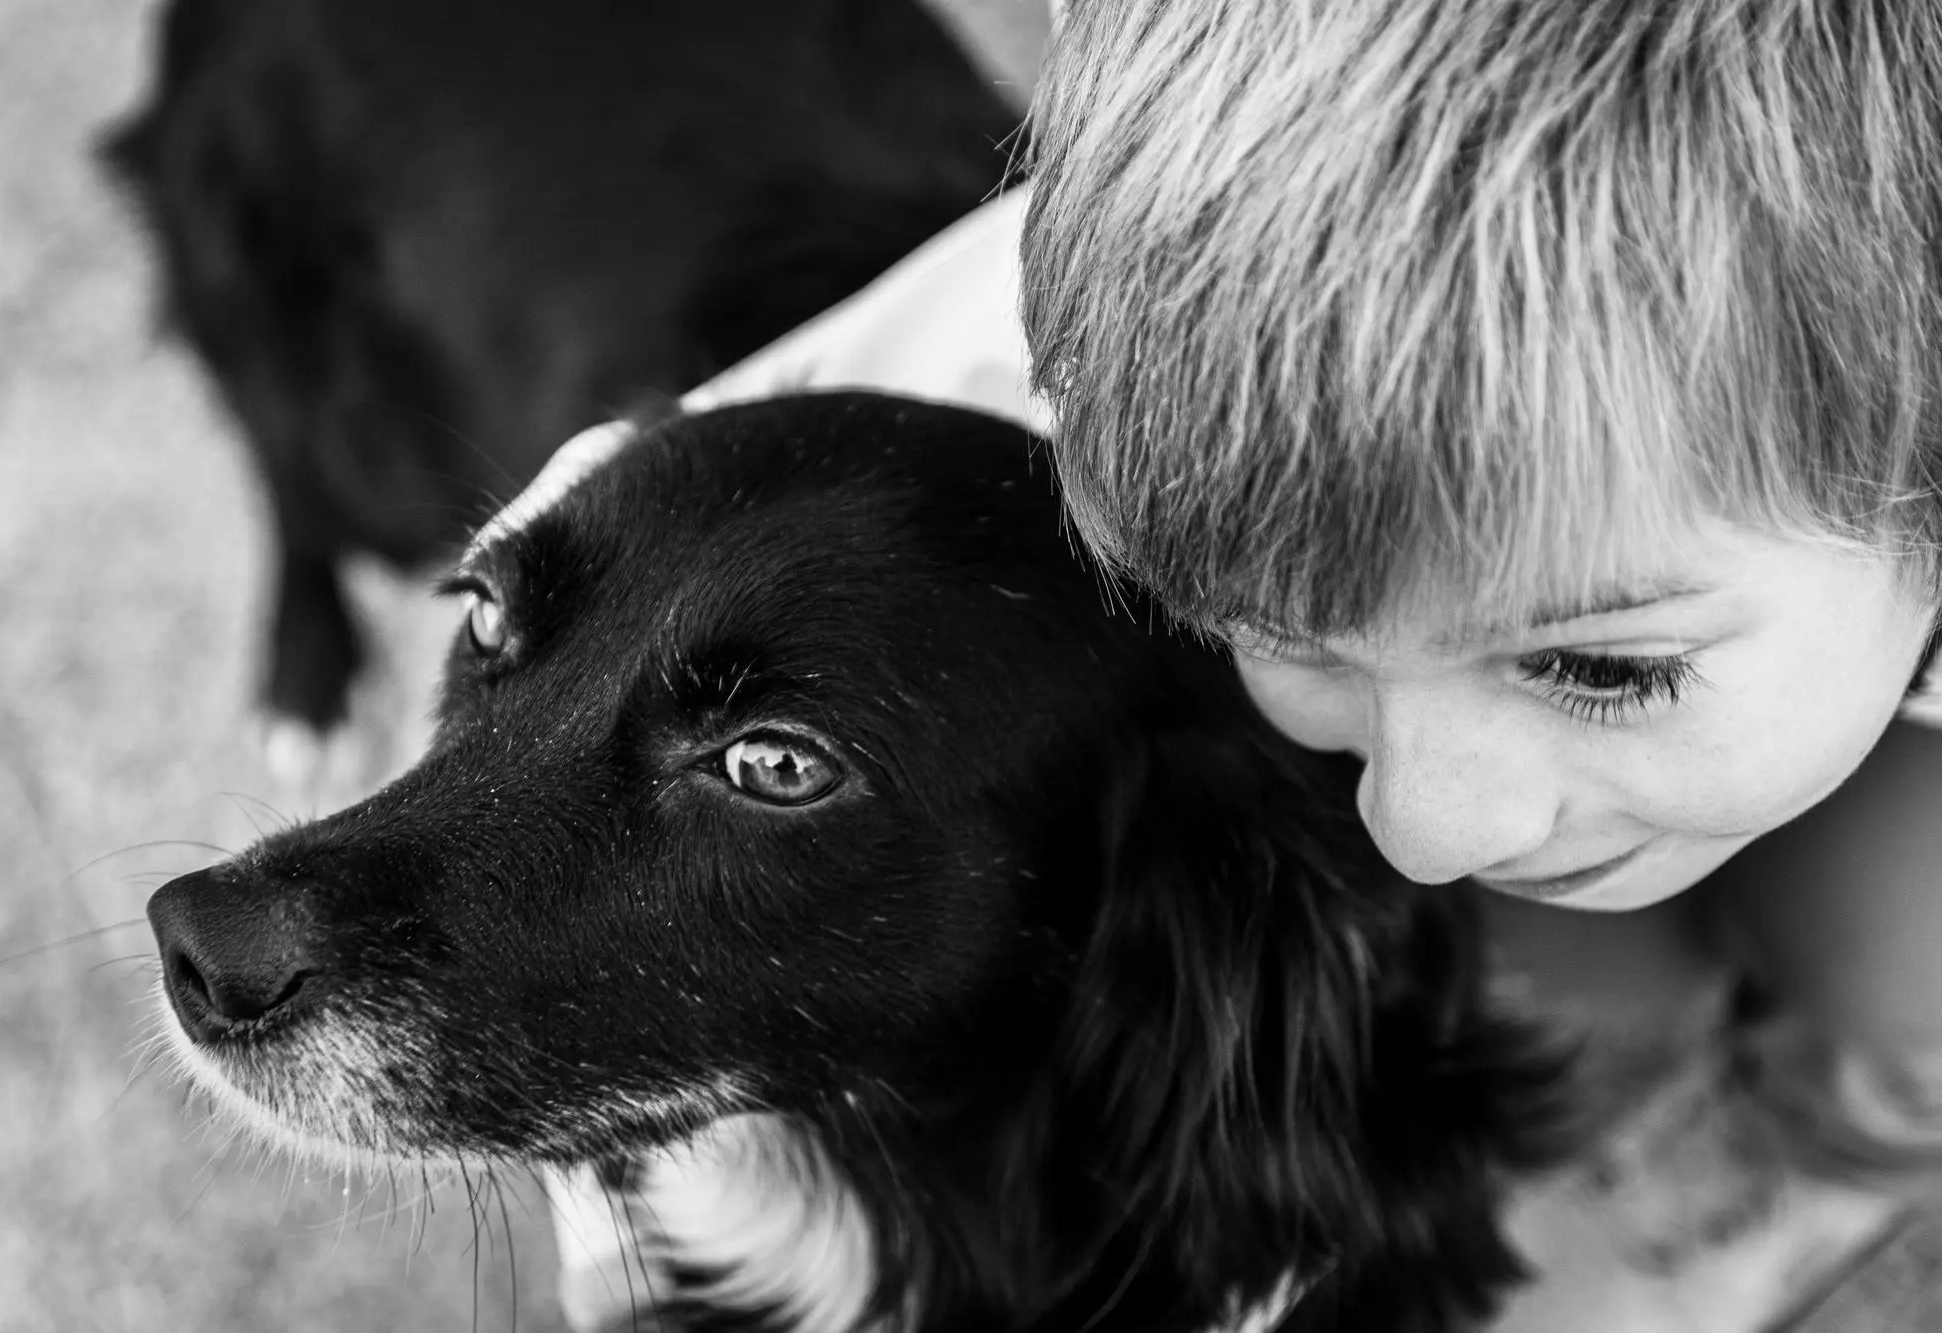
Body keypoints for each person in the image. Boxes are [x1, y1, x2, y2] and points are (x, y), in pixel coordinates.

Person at [622, 0, 1942, 1324]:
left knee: (1910, 989)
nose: (1419, 829)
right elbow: (729, 469)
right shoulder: (1180, 306)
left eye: (1603, 667)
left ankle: (1831, 1143)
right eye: (1275, 628)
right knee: (1543, 969)